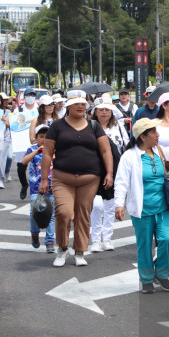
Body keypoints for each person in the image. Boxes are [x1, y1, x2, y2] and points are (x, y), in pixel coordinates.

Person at [39, 90, 113, 268]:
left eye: (83, 103)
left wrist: (109, 173)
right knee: (63, 213)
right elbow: (48, 153)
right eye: (76, 103)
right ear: (68, 106)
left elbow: (105, 151)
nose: (80, 106)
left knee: (83, 215)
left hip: (90, 179)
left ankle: (80, 251)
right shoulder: (57, 126)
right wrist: (43, 180)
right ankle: (62, 248)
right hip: (62, 178)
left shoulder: (94, 126)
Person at [114, 118, 169, 294]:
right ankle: (147, 278)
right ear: (142, 136)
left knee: (166, 239)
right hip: (142, 210)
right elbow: (121, 182)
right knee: (145, 245)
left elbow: (167, 174)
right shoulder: (130, 156)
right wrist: (119, 204)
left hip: (165, 207)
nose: (158, 135)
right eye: (153, 132)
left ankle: (162, 274)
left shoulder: (160, 152)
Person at [89, 100, 129, 253]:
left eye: (107, 109)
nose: (104, 112)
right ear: (95, 112)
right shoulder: (90, 127)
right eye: (101, 110)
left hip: (115, 169)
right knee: (97, 206)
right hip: (94, 170)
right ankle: (96, 240)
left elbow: (126, 146)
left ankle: (107, 239)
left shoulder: (118, 126)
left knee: (110, 206)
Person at [22, 124, 56, 253]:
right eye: (41, 136)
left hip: (52, 187)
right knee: (34, 212)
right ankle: (35, 233)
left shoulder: (55, 149)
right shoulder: (32, 149)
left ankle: (50, 241)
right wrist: (37, 151)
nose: (44, 139)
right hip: (36, 188)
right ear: (36, 138)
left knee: (51, 215)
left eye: (47, 136)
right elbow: (24, 161)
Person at [16, 89, 39, 200]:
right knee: (21, 168)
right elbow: (13, 124)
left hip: (36, 142)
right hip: (21, 143)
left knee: (37, 166)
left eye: (32, 95)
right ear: (24, 97)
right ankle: (24, 185)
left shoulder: (39, 110)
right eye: (28, 95)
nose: (30, 97)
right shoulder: (19, 110)